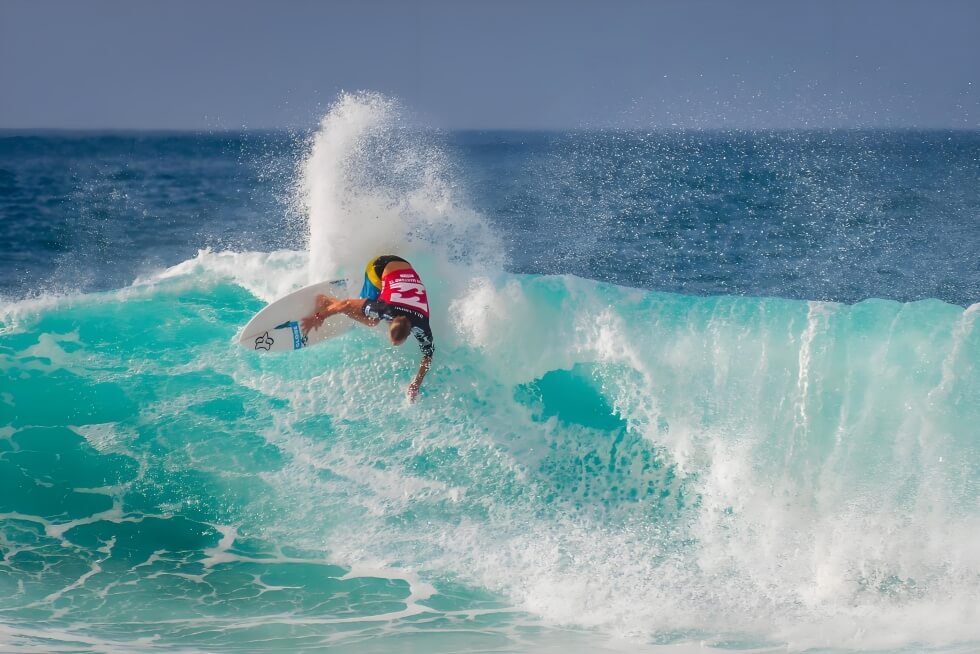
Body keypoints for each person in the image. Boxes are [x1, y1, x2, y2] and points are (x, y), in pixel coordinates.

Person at [301, 255, 434, 401]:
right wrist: (319, 317)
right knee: (371, 321)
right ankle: (325, 300)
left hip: (404, 264)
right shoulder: (384, 309)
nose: (392, 343)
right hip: (379, 266)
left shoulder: (422, 325)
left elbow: (428, 356)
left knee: (374, 315)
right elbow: (346, 304)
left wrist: (416, 384)